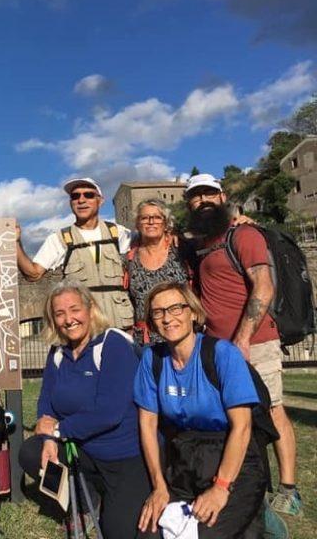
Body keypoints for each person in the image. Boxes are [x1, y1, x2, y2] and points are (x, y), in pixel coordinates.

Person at [184, 173, 301, 516]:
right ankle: (250, 483)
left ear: (221, 197)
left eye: (209, 194)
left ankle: (290, 489)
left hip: (255, 341)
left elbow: (263, 287)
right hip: (219, 347)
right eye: (195, 196)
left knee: (272, 410)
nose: (203, 201)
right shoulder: (204, 244)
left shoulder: (244, 234)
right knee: (238, 417)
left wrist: (243, 338)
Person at [19, 281, 156, 539]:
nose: (68, 319)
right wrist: (48, 438)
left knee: (118, 532)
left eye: (74, 309)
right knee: (32, 451)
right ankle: (84, 499)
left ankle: (109, 494)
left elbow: (109, 412)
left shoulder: (113, 343)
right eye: (59, 314)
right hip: (84, 450)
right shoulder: (58, 351)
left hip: (124, 456)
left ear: (90, 308)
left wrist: (58, 430)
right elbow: (46, 400)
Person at [134, 282, 267, 537]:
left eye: (175, 308)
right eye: (158, 312)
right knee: (150, 532)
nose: (167, 318)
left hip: (231, 457)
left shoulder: (222, 354)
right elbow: (147, 426)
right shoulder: (152, 360)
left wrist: (220, 488)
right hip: (184, 460)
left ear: (193, 312)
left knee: (205, 534)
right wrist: (159, 486)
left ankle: (258, 516)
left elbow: (242, 427)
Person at [17, 177, 134, 330]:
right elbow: (33, 274)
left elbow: (150, 245)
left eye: (89, 195)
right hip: (82, 330)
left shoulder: (119, 233)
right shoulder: (59, 239)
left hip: (120, 325)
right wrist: (16, 242)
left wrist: (170, 235)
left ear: (100, 200)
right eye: (75, 196)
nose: (81, 200)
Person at [125, 199, 190, 352]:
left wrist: (241, 220)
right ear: (137, 224)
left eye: (157, 217)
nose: (151, 222)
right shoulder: (128, 259)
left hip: (185, 337)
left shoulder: (182, 250)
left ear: (166, 223)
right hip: (147, 342)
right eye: (145, 218)